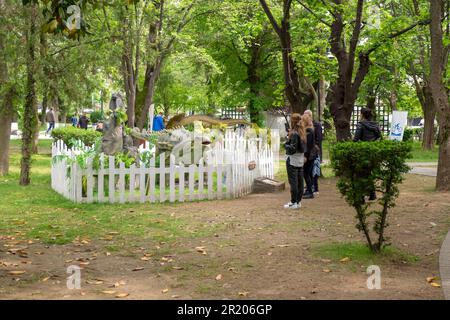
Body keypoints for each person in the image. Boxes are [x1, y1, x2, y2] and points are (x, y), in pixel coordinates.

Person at [353, 107, 382, 200]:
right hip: (373, 151)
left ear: (362, 114)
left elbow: (356, 139)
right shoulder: (375, 125)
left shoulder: (360, 125)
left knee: (360, 173)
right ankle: (372, 194)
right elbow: (379, 136)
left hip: (363, 151)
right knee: (368, 172)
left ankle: (361, 195)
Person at [284, 113, 307, 210]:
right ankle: (298, 201)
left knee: (293, 182)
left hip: (293, 160)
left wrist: (285, 144)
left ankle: (294, 202)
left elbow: (292, 149)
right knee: (300, 182)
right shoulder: (302, 132)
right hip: (300, 160)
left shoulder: (294, 133)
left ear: (292, 121)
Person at [304, 110, 323, 194]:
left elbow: (319, 137)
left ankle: (315, 187)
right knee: (309, 170)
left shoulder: (316, 124)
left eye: (306, 116)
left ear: (310, 116)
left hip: (314, 150)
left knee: (315, 169)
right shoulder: (304, 126)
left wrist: (316, 146)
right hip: (309, 150)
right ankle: (310, 186)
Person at [302, 114, 318, 199]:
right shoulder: (310, 130)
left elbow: (308, 146)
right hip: (311, 155)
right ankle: (308, 190)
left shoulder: (308, 131)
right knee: (308, 173)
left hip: (309, 156)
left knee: (306, 173)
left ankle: (310, 192)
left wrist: (305, 156)